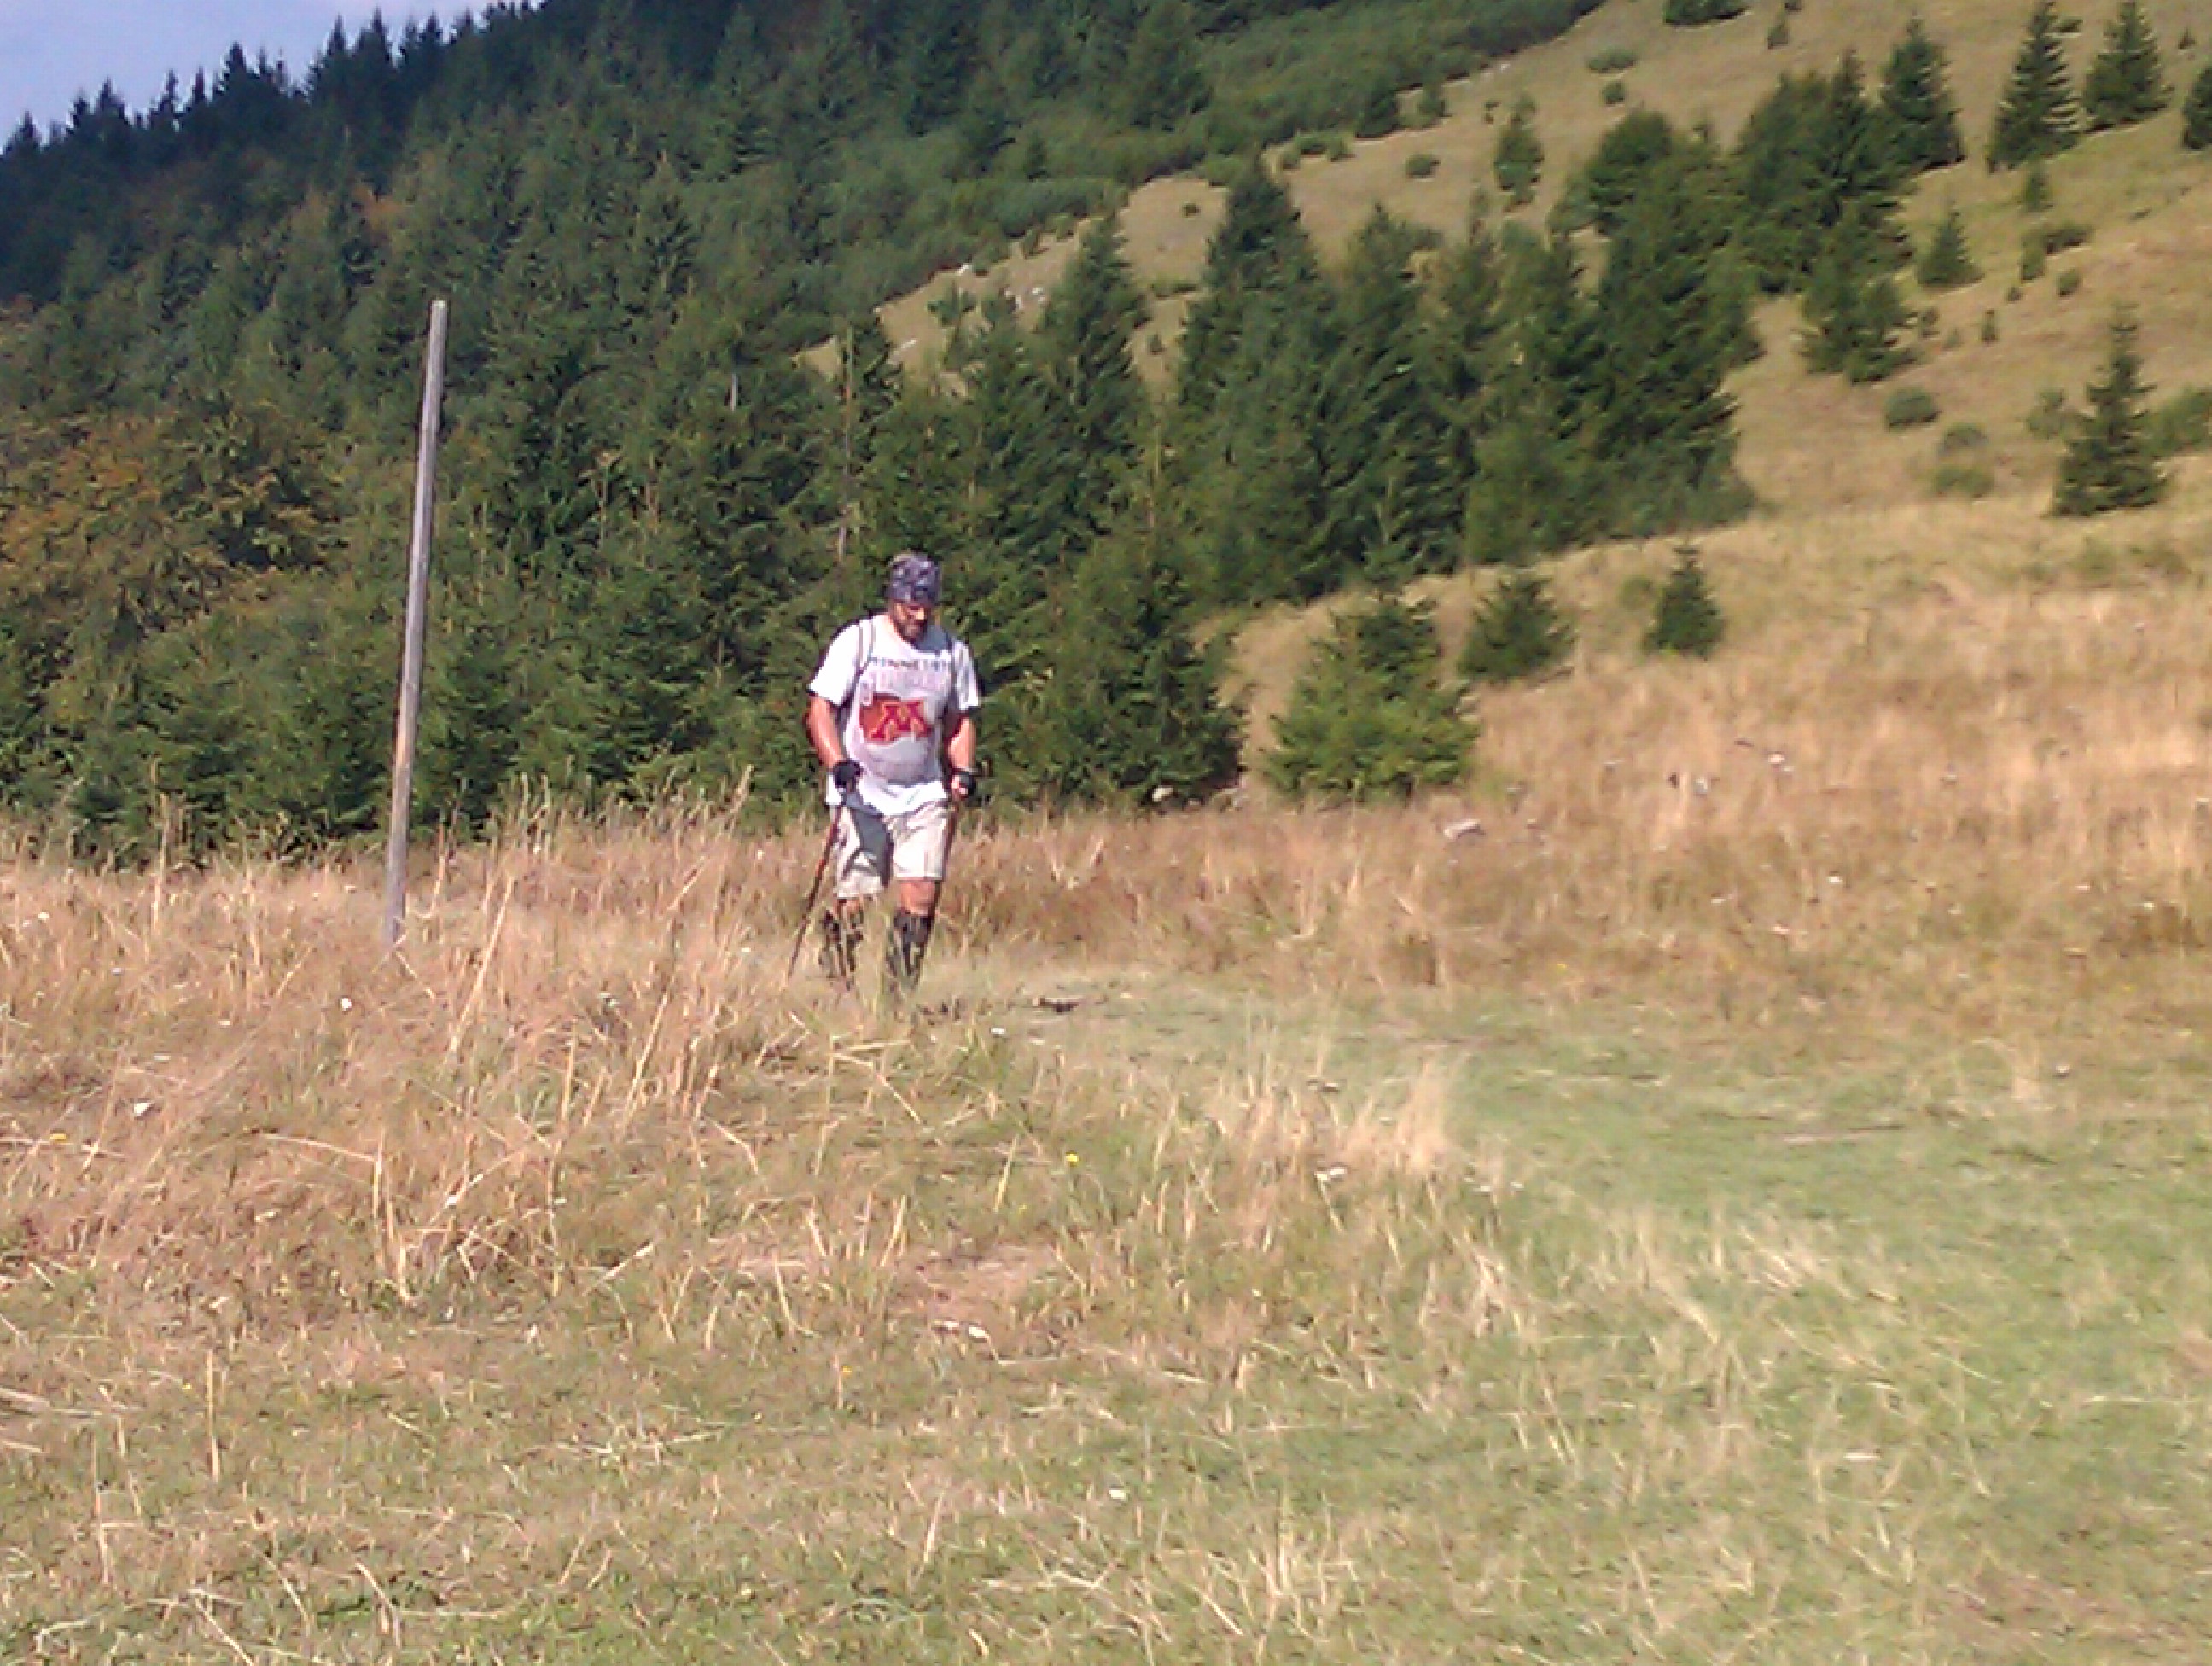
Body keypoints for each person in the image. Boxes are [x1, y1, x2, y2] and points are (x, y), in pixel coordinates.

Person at [805, 551, 981, 999]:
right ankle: (839, 974)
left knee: (921, 893)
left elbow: (959, 720)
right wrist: (836, 762)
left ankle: (896, 1000)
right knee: (857, 898)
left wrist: (962, 769)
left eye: (927, 606)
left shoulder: (951, 652)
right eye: (911, 606)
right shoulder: (860, 642)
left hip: (922, 794)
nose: (919, 616)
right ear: (894, 599)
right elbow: (821, 709)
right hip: (861, 795)